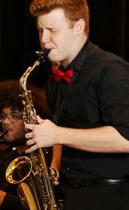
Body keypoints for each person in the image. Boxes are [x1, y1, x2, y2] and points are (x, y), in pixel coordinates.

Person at [24, 1, 129, 210]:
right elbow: (62, 127)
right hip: (71, 194)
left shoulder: (111, 70)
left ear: (78, 27)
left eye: (52, 30)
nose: (44, 40)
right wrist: (55, 163)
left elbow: (126, 138)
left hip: (111, 196)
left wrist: (57, 135)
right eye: (40, 30)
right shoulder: (54, 80)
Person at [0, 80, 57, 210]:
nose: (6, 122)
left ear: (31, 118)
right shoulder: (7, 159)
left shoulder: (45, 158)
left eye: (14, 115)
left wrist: (6, 201)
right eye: (3, 116)